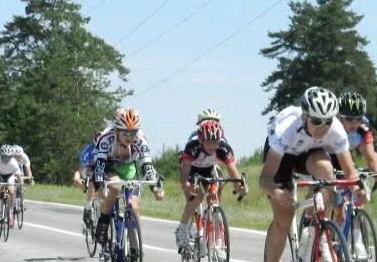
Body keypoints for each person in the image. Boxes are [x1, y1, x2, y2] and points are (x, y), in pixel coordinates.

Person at [259, 87, 362, 262]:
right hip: (283, 157)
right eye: (316, 121)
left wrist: (357, 190)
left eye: (327, 121)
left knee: (327, 171)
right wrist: (277, 193)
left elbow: (351, 173)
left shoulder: (335, 130)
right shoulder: (287, 129)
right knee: (283, 220)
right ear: (305, 116)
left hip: (310, 154)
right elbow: (265, 179)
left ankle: (317, 228)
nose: (322, 128)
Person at [92, 108, 165, 252]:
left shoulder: (140, 141)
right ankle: (104, 219)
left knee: (134, 205)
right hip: (109, 165)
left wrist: (155, 187)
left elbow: (147, 166)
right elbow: (99, 167)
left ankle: (135, 250)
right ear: (117, 130)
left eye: (133, 132)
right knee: (115, 187)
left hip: (129, 167)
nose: (130, 137)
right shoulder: (106, 139)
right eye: (125, 132)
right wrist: (99, 186)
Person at [174, 118, 248, 251]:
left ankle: (215, 238)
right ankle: (183, 228)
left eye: (215, 142)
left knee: (214, 193)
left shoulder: (224, 149)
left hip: (208, 170)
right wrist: (187, 185)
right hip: (191, 171)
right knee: (198, 196)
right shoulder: (192, 147)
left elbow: (234, 173)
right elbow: (184, 174)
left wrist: (240, 187)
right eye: (208, 142)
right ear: (201, 139)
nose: (212, 146)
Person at [334, 89, 377, 258]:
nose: (354, 123)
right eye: (349, 119)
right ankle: (324, 235)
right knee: (332, 199)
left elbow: (372, 158)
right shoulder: (333, 127)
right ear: (339, 117)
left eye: (358, 118)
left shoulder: (363, 129)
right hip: (329, 157)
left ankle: (357, 241)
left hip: (347, 158)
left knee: (358, 193)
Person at [72, 132, 103, 227]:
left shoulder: (108, 147)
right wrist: (77, 178)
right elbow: (81, 167)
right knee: (92, 179)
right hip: (89, 169)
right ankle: (88, 206)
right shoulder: (88, 149)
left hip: (103, 170)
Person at [0, 144, 23, 225]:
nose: (7, 159)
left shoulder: (14, 162)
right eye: (5, 156)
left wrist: (21, 186)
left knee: (11, 191)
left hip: (9, 175)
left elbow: (18, 176)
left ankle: (10, 213)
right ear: (1, 155)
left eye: (9, 157)